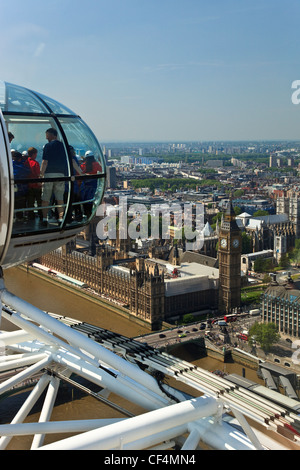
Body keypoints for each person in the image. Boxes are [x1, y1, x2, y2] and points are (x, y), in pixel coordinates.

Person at [40, 128, 68, 226]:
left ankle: (44, 218)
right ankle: (60, 219)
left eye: (47, 135)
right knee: (60, 198)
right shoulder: (64, 146)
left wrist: (41, 175)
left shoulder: (48, 146)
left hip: (49, 174)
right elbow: (69, 161)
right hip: (61, 175)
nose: (46, 138)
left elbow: (45, 162)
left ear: (53, 136)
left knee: (46, 198)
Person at [80, 150, 102, 217]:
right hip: (93, 184)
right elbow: (101, 170)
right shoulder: (96, 164)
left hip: (85, 184)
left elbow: (80, 172)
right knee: (91, 198)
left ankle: (85, 212)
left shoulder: (83, 165)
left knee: (84, 198)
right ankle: (89, 212)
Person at [11, 151, 30, 221]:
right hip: (21, 189)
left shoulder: (9, 165)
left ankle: (11, 217)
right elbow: (28, 172)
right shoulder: (22, 167)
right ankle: (19, 217)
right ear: (19, 158)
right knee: (20, 203)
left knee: (12, 203)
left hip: (10, 189)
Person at [27, 147, 43, 221]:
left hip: (28, 185)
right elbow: (37, 174)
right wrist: (40, 183)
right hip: (36, 186)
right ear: (34, 154)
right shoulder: (35, 163)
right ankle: (41, 215)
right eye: (36, 153)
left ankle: (30, 216)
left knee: (30, 202)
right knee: (39, 201)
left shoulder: (26, 162)